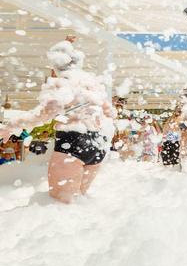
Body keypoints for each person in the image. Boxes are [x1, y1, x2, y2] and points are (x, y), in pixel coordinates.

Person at [0, 38, 114, 203]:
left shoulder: (62, 82)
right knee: (80, 203)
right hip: (98, 144)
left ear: (55, 65)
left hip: (73, 142)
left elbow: (42, 114)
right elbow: (110, 112)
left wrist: (10, 126)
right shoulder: (93, 83)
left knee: (60, 206)